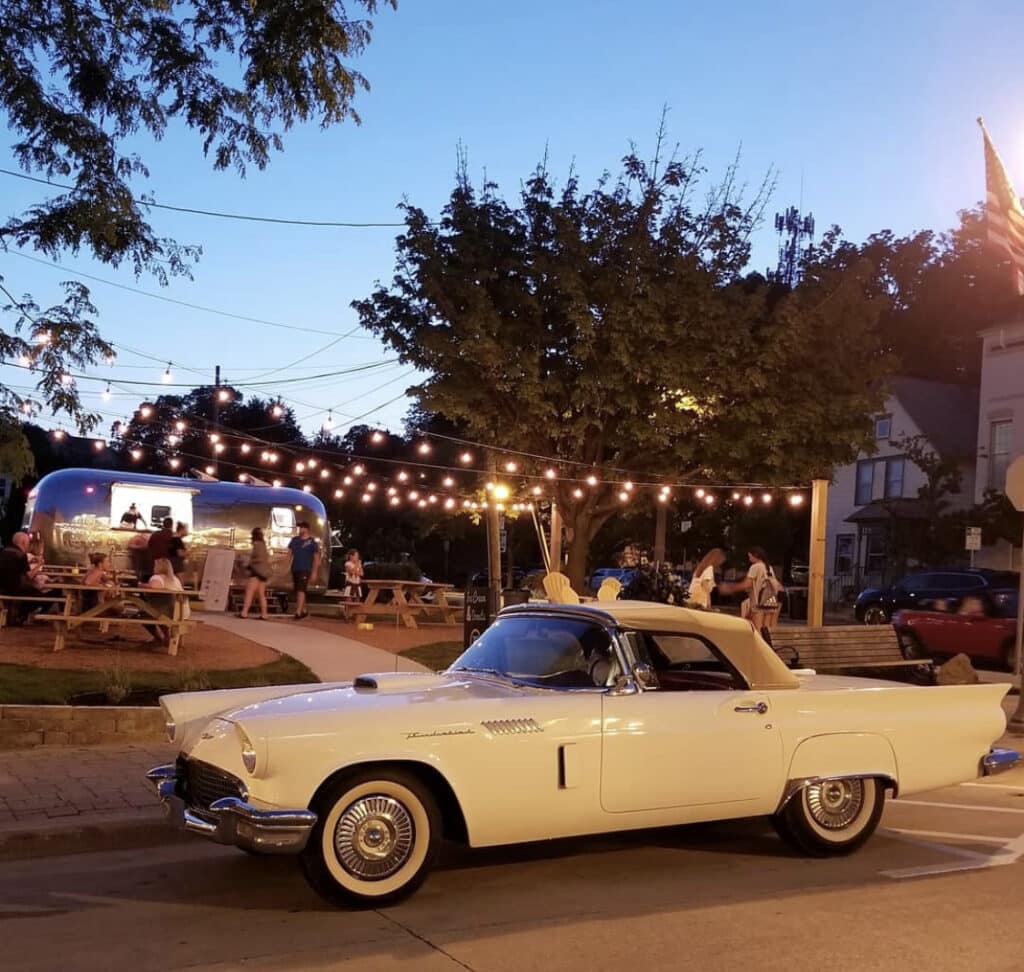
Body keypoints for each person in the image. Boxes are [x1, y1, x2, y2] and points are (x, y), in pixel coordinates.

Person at [720, 546, 783, 644]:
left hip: (758, 603)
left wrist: (730, 588)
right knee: (767, 631)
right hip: (770, 602)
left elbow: (747, 584)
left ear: (756, 555)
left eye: (750, 557)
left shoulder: (755, 567)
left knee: (758, 632)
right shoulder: (768, 567)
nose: (749, 559)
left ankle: (760, 654)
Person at [144, 557, 189, 645]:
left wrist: (142, 585)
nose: (153, 567)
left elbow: (154, 587)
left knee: (145, 615)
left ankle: (160, 637)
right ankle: (166, 637)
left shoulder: (157, 577)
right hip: (183, 610)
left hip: (172, 611)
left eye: (155, 565)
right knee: (158, 613)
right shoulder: (175, 579)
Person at [0, 532, 39, 625]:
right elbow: (29, 576)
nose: (28, 545)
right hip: (15, 587)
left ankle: (16, 616)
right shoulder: (20, 555)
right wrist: (40, 564)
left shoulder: (3, 552)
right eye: (28, 543)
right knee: (39, 595)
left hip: (2, 587)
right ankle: (21, 616)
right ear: (23, 542)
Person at [286, 521, 320, 620]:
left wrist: (314, 572)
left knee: (301, 589)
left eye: (302, 528)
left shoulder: (312, 542)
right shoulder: (295, 540)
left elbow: (316, 558)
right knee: (299, 590)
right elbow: (289, 554)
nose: (300, 530)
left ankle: (298, 612)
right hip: (295, 568)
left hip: (305, 569)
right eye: (299, 528)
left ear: (307, 529)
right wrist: (286, 567)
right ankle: (304, 610)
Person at [239, 527, 271, 620]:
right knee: (261, 594)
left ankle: (244, 612)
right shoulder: (264, 545)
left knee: (249, 592)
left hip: (256, 572)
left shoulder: (257, 545)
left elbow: (257, 558)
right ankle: (264, 614)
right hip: (264, 573)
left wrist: (249, 563)